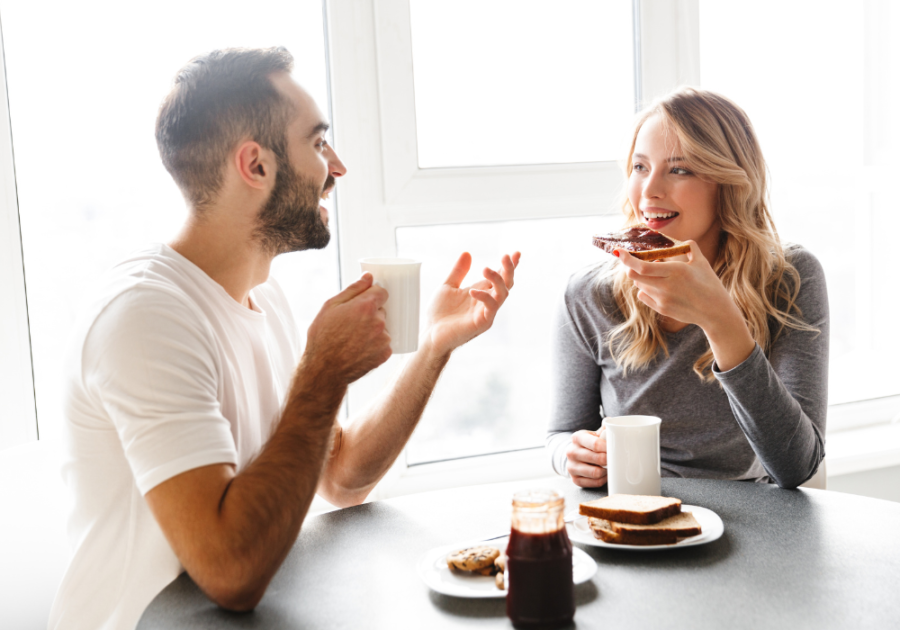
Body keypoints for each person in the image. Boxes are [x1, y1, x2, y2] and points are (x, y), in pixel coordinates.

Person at [48, 47, 520, 630]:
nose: (338, 168)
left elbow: (341, 475)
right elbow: (230, 573)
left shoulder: (263, 297)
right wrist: (322, 372)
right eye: (319, 144)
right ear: (256, 166)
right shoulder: (145, 317)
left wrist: (433, 349)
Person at [546, 87, 827, 491]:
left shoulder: (789, 279)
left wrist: (720, 319)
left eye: (680, 170)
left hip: (754, 526)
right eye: (640, 167)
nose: (649, 191)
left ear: (728, 183)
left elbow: (797, 466)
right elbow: (562, 434)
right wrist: (572, 454)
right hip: (635, 516)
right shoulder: (589, 294)